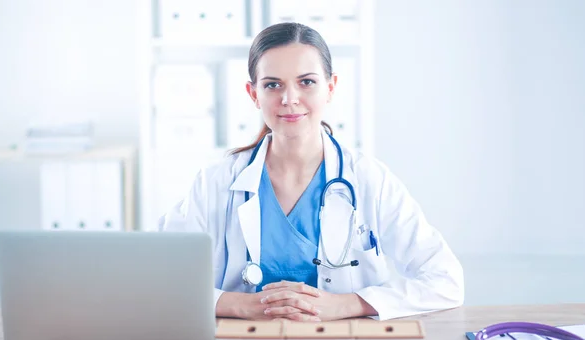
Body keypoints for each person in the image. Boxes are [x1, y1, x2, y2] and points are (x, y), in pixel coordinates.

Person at [160, 22, 464, 322]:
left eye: (306, 82)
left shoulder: (370, 179)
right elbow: (160, 280)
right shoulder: (216, 183)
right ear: (254, 94)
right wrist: (240, 305)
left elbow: (446, 280)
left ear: (330, 88)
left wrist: (348, 304)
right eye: (272, 84)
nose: (289, 99)